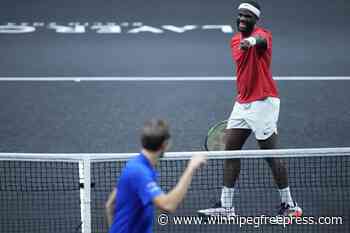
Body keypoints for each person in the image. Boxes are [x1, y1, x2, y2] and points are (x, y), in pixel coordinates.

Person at [197, 0, 302, 217]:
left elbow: (262, 42)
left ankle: (290, 206)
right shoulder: (235, 40)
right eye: (240, 15)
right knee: (231, 150)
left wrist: (253, 41)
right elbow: (244, 50)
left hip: (263, 102)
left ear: (255, 20)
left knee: (271, 155)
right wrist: (247, 42)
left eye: (247, 16)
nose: (242, 19)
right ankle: (226, 207)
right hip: (242, 103)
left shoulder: (264, 35)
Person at [105, 119, 207, 233]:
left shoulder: (134, 165)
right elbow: (168, 205)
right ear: (165, 145)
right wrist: (191, 168)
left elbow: (111, 204)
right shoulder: (140, 172)